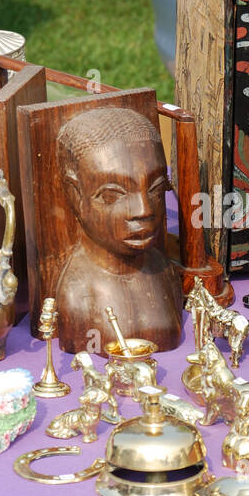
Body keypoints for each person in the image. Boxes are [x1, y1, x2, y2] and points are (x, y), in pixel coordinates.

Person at [53, 106, 183, 352]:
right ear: (75, 193)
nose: (143, 209)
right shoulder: (77, 295)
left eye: (155, 189)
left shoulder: (164, 269)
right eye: (113, 194)